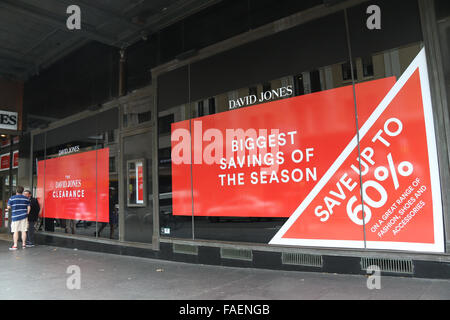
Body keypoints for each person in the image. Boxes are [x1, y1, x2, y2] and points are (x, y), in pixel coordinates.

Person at [7, 186, 30, 250]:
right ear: (22, 191)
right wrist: (27, 213)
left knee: (15, 231)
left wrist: (8, 208)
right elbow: (28, 207)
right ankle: (24, 244)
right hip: (24, 216)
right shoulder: (26, 198)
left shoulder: (12, 198)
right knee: (23, 230)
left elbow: (8, 207)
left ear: (16, 191)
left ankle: (15, 245)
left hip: (15, 217)